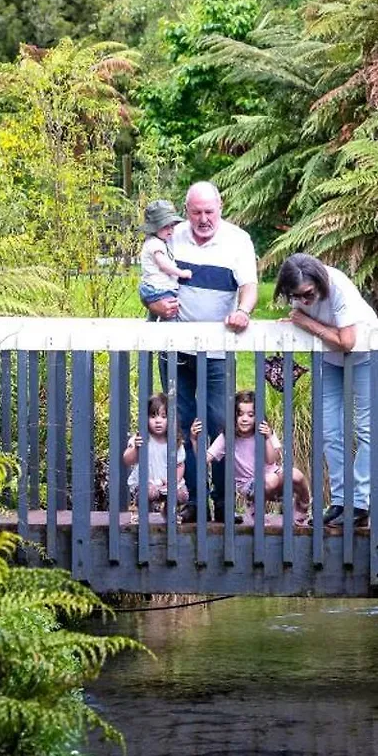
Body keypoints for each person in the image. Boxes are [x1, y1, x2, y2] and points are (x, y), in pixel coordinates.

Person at [148, 182, 256, 522]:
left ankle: (224, 507)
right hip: (174, 346)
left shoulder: (238, 239)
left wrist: (244, 311)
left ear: (220, 207)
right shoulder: (172, 237)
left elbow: (250, 287)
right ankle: (194, 503)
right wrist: (153, 302)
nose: (203, 219)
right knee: (181, 425)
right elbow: (149, 280)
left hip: (217, 348)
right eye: (196, 212)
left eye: (209, 211)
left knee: (221, 425)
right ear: (187, 210)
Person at [277, 253, 378, 529]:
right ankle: (339, 501)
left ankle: (359, 504)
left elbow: (347, 341)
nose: (304, 301)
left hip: (365, 354)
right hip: (327, 358)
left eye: (308, 294)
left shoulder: (339, 286)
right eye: (297, 296)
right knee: (330, 430)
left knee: (366, 429)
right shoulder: (299, 291)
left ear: (319, 281)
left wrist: (306, 323)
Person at [206, 389, 310, 523]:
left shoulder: (264, 432)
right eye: (240, 414)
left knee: (295, 474)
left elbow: (271, 459)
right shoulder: (228, 437)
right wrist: (194, 441)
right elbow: (206, 458)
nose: (245, 419)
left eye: (250, 415)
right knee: (270, 480)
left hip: (273, 475)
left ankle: (303, 505)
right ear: (234, 416)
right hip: (250, 485)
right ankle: (255, 509)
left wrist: (267, 438)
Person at [122, 394, 186, 512]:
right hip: (147, 482)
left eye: (163, 416)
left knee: (181, 495)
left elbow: (180, 465)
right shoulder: (141, 438)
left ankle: (169, 513)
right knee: (150, 493)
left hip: (168, 482)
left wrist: (174, 480)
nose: (158, 421)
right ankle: (142, 513)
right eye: (153, 416)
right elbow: (127, 460)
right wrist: (136, 448)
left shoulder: (175, 441)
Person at [136, 200, 192, 319]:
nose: (170, 230)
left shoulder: (158, 241)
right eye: (166, 227)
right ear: (154, 228)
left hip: (154, 288)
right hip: (159, 289)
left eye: (172, 226)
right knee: (170, 316)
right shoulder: (155, 244)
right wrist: (181, 273)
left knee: (153, 319)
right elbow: (163, 265)